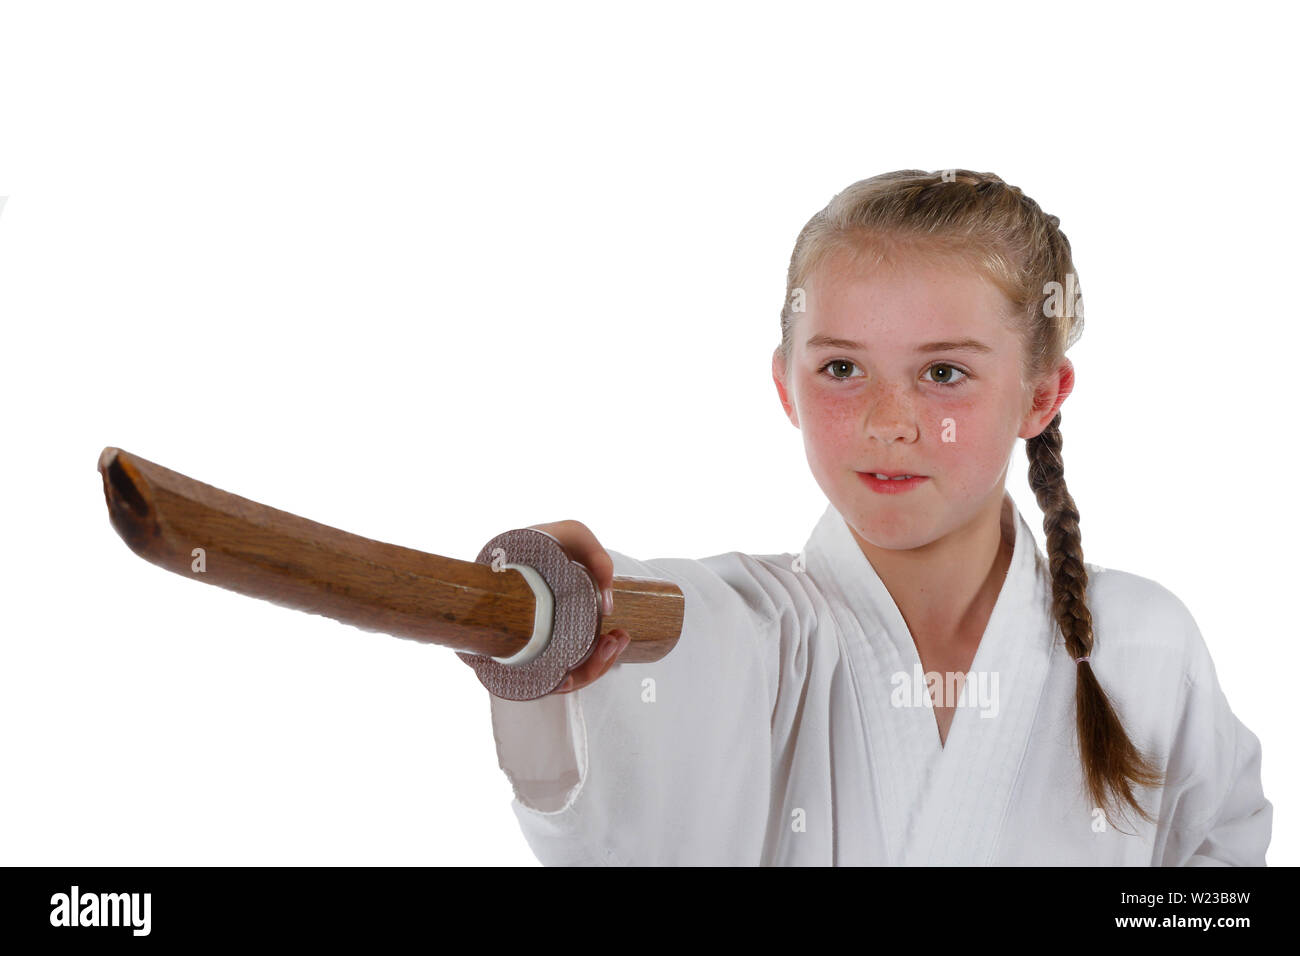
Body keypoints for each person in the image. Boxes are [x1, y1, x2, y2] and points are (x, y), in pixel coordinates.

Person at [482, 169, 1272, 865]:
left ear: (1040, 395)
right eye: (842, 368)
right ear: (785, 386)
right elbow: (676, 630)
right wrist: (556, 604)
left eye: (942, 372)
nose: (888, 420)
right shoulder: (756, 630)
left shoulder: (1144, 644)